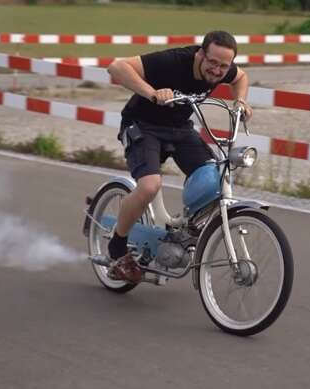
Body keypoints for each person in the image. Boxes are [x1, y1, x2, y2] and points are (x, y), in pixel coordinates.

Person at [104, 30, 253, 283]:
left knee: (216, 178)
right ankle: (117, 247)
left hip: (179, 128)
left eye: (223, 66)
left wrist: (240, 101)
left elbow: (241, 77)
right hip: (142, 124)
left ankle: (184, 232)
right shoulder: (173, 61)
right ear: (200, 54)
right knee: (150, 185)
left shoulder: (224, 69)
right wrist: (152, 93)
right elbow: (116, 67)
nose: (217, 71)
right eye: (212, 63)